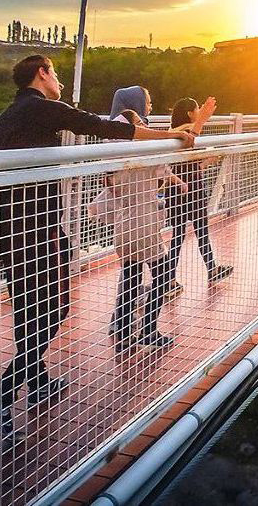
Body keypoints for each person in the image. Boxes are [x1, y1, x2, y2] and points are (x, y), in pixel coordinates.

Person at [0, 56, 195, 437]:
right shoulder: (42, 109)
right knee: (56, 310)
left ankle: (39, 381)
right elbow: (105, 128)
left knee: (28, 311)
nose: (58, 79)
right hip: (41, 231)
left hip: (11, 230)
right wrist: (172, 136)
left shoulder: (4, 120)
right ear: (41, 74)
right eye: (55, 72)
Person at [92, 108, 182, 354]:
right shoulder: (143, 155)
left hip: (123, 227)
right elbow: (173, 153)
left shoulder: (115, 160)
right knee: (163, 275)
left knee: (131, 277)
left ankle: (122, 328)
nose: (144, 126)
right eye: (139, 123)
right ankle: (149, 330)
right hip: (144, 226)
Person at [165, 96, 233, 289]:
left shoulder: (173, 131)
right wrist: (202, 120)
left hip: (176, 188)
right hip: (191, 188)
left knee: (178, 235)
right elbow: (191, 139)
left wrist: (205, 162)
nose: (198, 113)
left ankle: (170, 280)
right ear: (189, 113)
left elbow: (187, 163)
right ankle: (210, 270)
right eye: (197, 110)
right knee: (200, 231)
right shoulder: (184, 132)